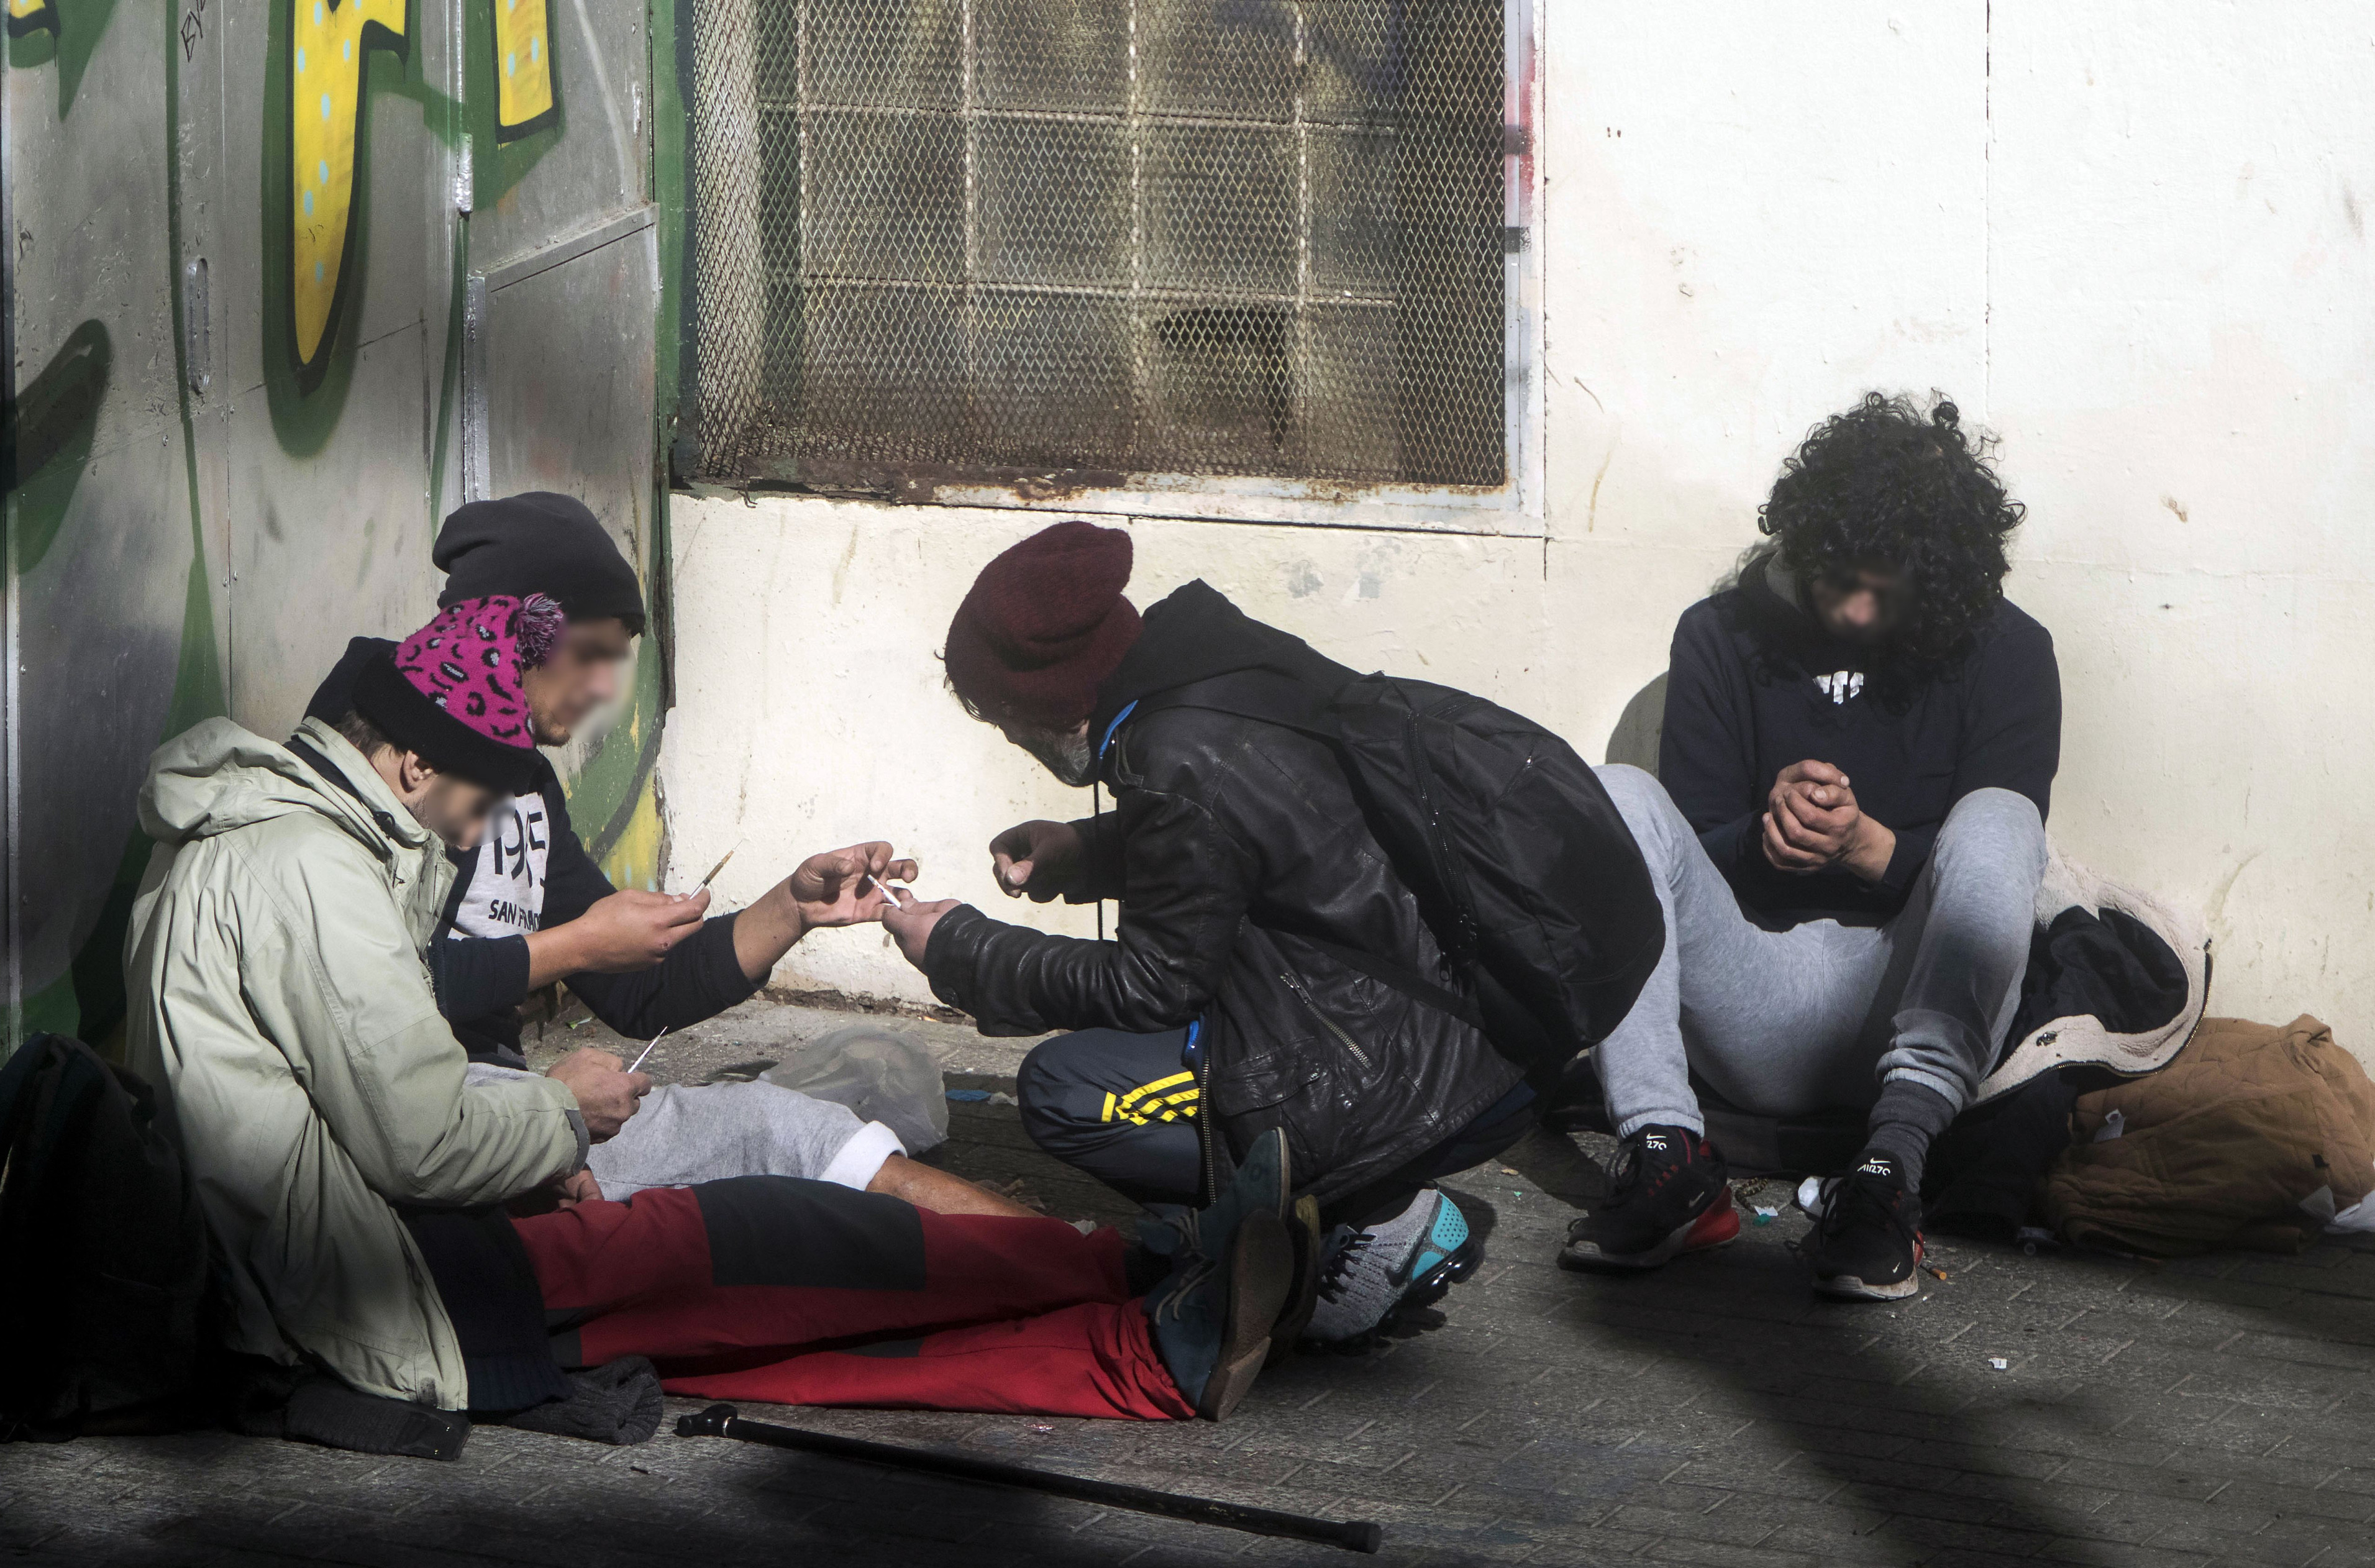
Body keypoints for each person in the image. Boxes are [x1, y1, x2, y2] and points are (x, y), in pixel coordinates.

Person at [125, 596, 1303, 1426]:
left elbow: (384, 1098)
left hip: (408, 1235)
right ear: (416, 766)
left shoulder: (280, 846)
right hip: (390, 1286)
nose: (483, 833)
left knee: (792, 1263)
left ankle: (1148, 1284)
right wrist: (554, 1113)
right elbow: (416, 1133)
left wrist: (773, 917)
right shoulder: (309, 871)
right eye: (482, 797)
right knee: (781, 1259)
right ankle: (1148, 1323)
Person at [877, 522, 1521, 1346]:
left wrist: (961, 946)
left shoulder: (1171, 755)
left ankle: (1375, 1212)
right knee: (1130, 1060)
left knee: (1065, 1090)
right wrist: (1087, 850)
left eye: (1004, 718)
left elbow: (1155, 983)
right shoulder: (1218, 676)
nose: (1008, 739)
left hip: (1400, 1064)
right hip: (1447, 1018)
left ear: (1045, 698)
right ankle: (1300, 1217)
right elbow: (1253, 843)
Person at [304, 492, 1024, 1220]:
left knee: (791, 1130)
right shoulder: (375, 735)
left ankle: (1076, 1266)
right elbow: (365, 995)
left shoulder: (528, 785)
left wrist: (793, 908)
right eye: (590, 655)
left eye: (617, 661)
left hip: (520, 1107)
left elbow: (637, 995)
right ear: (510, 628)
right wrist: (577, 951)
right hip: (401, 1129)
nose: (603, 690)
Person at [1560, 393, 2058, 1302]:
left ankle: (1888, 1179)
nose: (1860, 609)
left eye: (1889, 590)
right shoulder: (1720, 634)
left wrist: (1871, 848)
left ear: (1938, 578)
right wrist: (1763, 842)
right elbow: (1696, 847)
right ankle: (1664, 1156)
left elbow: (1998, 872)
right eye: (1841, 580)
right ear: (1806, 546)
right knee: (1615, 791)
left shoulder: (2010, 651)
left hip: (1907, 999)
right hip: (1751, 994)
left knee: (2002, 814)